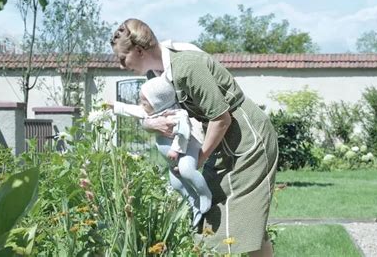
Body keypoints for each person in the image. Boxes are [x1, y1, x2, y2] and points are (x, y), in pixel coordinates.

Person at [110, 18, 278, 256]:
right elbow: (155, 117)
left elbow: (222, 118)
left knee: (237, 218)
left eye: (122, 58)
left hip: (247, 138)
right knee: (230, 219)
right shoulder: (157, 78)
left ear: (138, 50)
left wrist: (199, 158)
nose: (120, 65)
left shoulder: (187, 65)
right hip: (222, 141)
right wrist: (150, 123)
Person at [112, 76, 212, 227]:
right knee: (176, 184)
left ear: (158, 103)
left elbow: (184, 132)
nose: (141, 105)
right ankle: (193, 200)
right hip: (172, 160)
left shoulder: (177, 114)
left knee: (186, 170)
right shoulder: (153, 112)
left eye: (145, 103)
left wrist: (175, 149)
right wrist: (114, 105)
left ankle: (205, 194)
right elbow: (132, 110)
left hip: (187, 150)